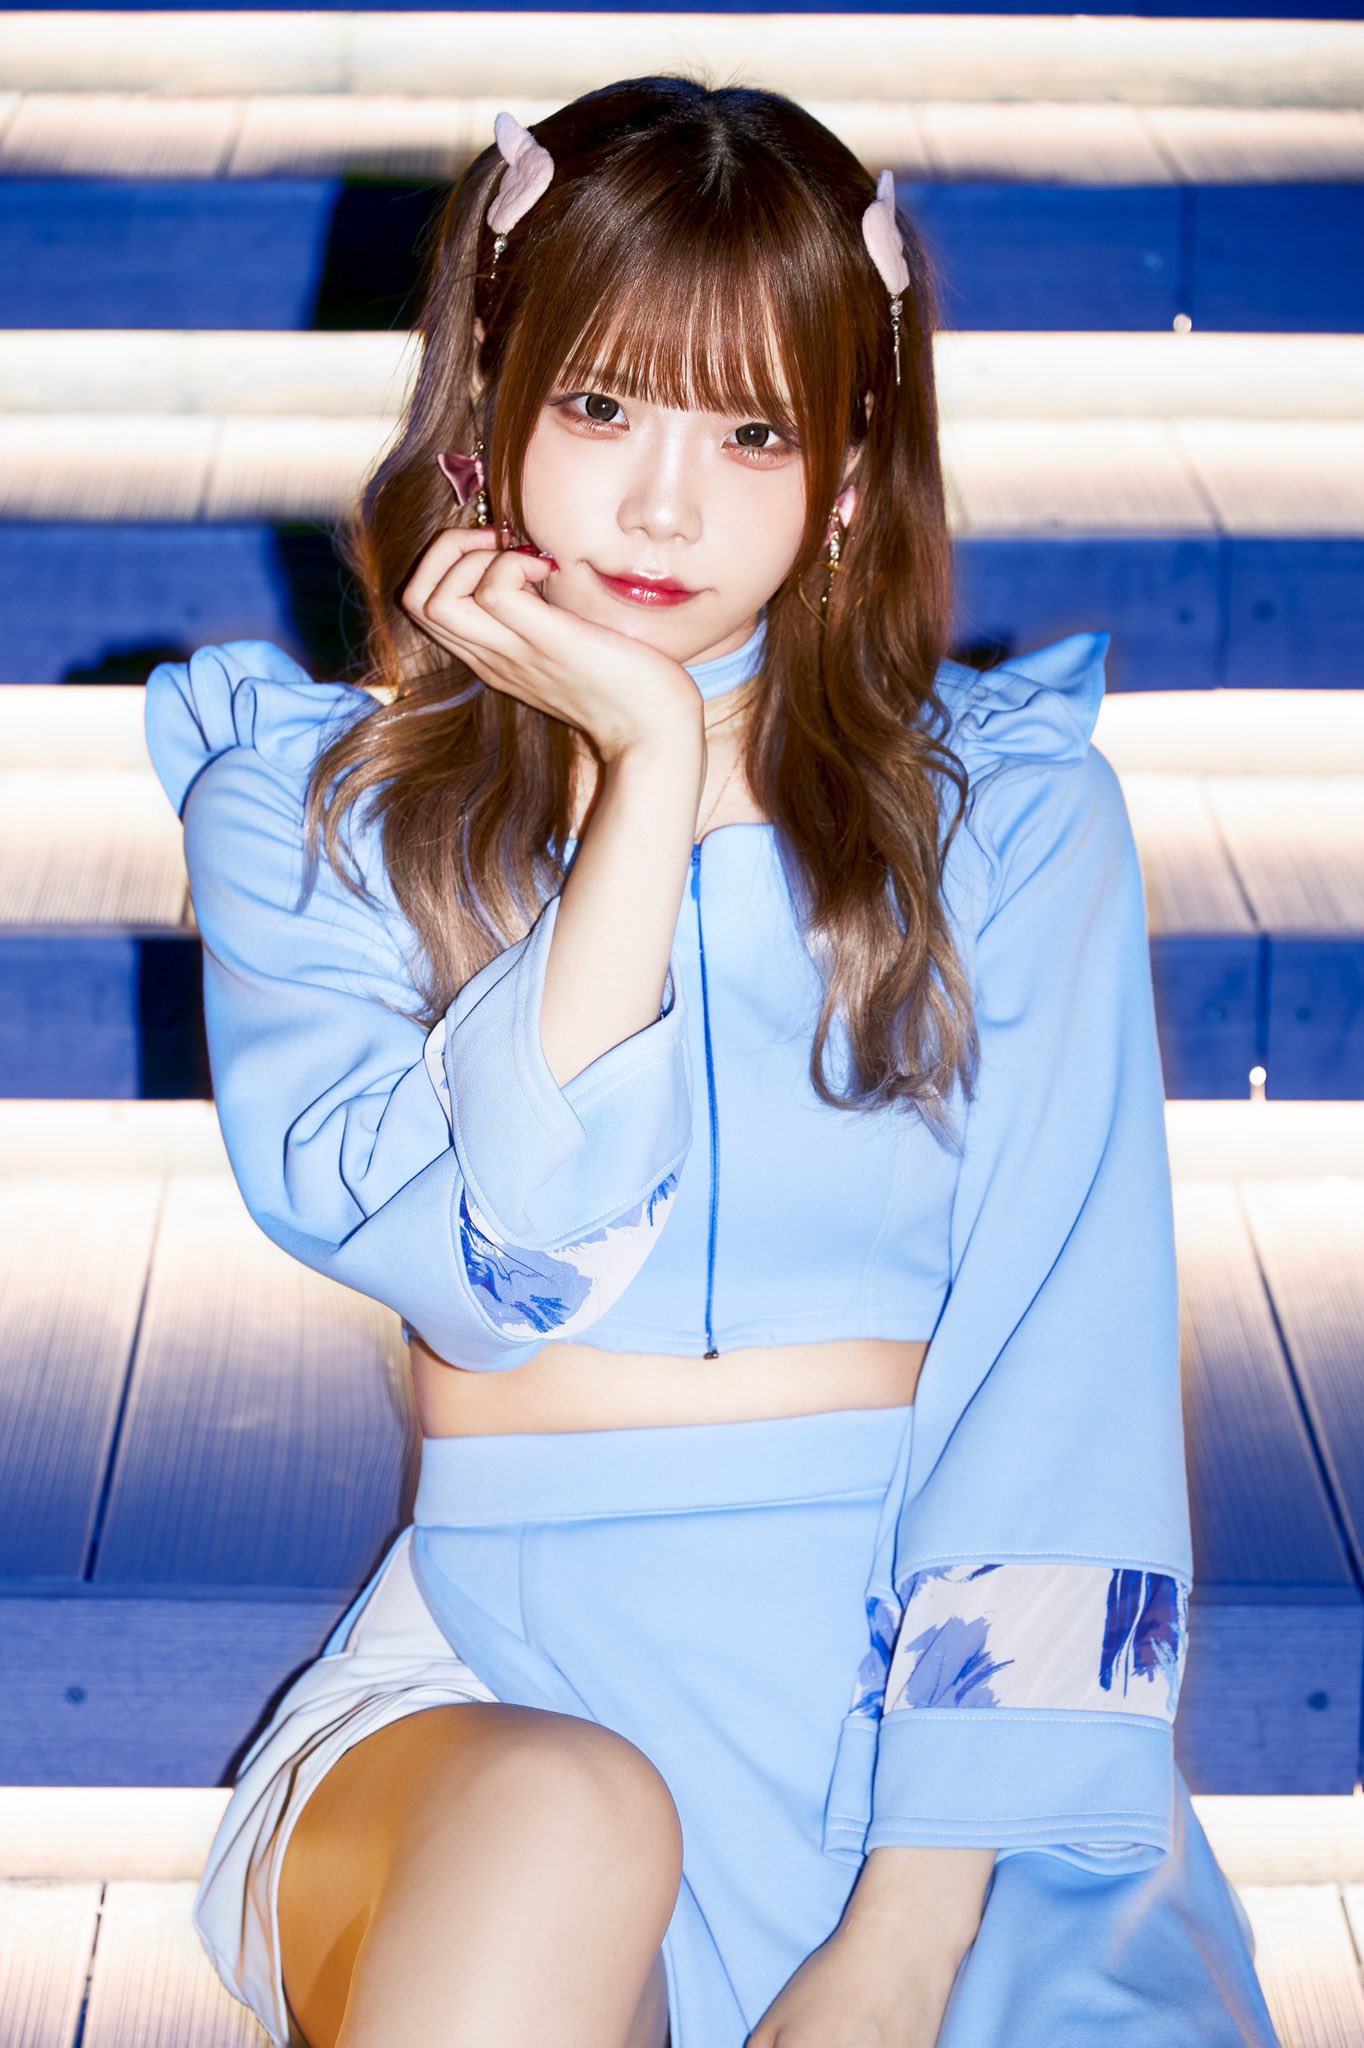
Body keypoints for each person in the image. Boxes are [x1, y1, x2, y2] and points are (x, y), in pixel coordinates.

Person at [144, 75, 1282, 2048]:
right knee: (558, 1830)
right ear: (490, 403)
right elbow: (493, 1276)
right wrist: (649, 771)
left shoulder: (1009, 821)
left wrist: (901, 1941)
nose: (666, 505)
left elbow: (1065, 1384)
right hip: (497, 1679)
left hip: (936, 1738)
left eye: (752, 430)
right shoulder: (316, 812)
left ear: (845, 472)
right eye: (602, 406)